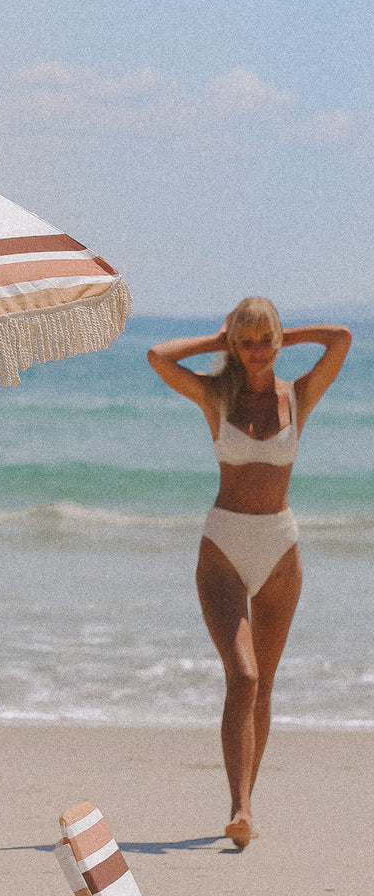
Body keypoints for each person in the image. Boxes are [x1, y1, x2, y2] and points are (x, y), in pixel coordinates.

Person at [148, 299, 351, 849]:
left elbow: (340, 337)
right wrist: (219, 339)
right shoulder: (215, 396)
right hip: (224, 547)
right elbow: (158, 355)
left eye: (267, 340)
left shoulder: (298, 395)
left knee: (265, 685)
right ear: (234, 345)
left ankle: (247, 807)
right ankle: (237, 807)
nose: (258, 350)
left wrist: (279, 331)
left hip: (280, 548)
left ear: (279, 341)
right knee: (244, 676)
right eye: (247, 341)